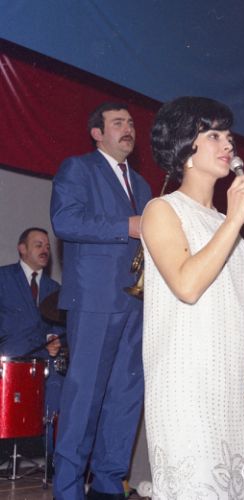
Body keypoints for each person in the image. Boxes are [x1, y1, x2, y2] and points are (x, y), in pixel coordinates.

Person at [141, 96, 244, 499]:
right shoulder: (162, 210)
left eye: (229, 136)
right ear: (185, 147)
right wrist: (234, 219)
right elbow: (187, 285)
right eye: (213, 135)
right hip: (187, 385)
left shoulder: (226, 226)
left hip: (230, 387)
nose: (227, 144)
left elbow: (235, 314)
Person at [50, 102, 152, 500]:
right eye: (117, 123)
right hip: (94, 299)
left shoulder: (142, 185)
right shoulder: (78, 169)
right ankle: (68, 490)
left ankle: (109, 487)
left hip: (136, 303)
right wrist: (126, 225)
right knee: (84, 396)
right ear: (97, 133)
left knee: (126, 397)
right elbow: (65, 221)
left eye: (131, 123)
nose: (128, 129)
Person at [0, 227, 63, 461]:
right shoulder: (3, 278)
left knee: (59, 391)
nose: (45, 250)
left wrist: (54, 339)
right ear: (22, 249)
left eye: (47, 246)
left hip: (44, 364)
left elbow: (59, 326)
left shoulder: (55, 289)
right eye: (38, 245)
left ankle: (53, 464)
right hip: (8, 361)